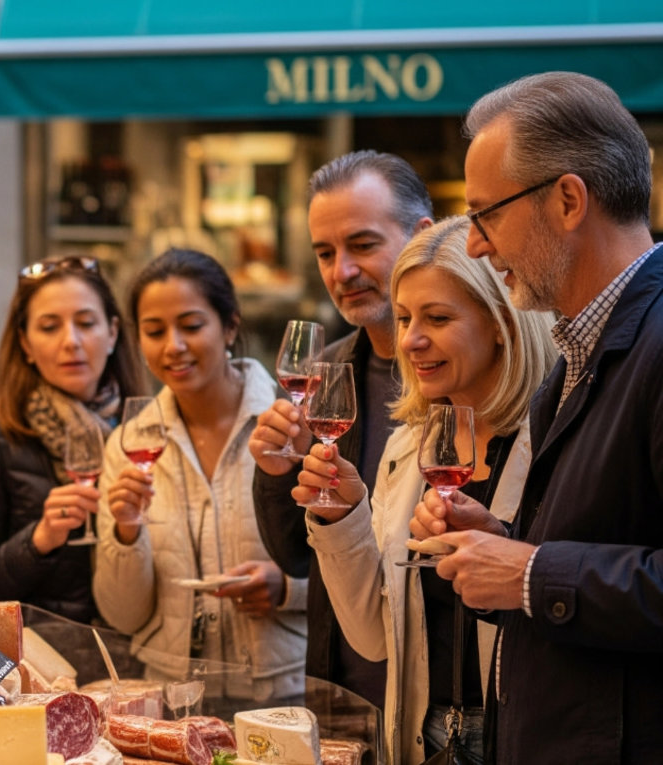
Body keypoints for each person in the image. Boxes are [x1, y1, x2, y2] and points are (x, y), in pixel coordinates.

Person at [412, 71, 663, 761]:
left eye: (486, 214)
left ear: (569, 201)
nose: (478, 245)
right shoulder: (573, 352)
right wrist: (500, 540)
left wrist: (528, 571)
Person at [295, 217, 555, 763]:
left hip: (528, 735)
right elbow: (371, 636)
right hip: (425, 736)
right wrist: (341, 516)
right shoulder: (408, 450)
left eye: (437, 318)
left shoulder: (557, 442)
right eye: (405, 316)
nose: (409, 339)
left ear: (503, 323)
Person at [249, 151, 434, 708]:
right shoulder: (328, 372)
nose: (341, 272)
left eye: (363, 244)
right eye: (325, 253)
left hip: (436, 705)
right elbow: (295, 556)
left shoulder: (462, 375)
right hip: (342, 693)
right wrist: (278, 474)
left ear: (422, 236)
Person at [94, 249, 307, 697]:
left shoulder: (290, 427)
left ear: (230, 325)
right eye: (154, 331)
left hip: (281, 690)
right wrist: (127, 532)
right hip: (172, 696)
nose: (173, 345)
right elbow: (123, 615)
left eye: (191, 326)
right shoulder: (131, 445)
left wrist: (288, 586)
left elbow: (354, 565)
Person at [0, 256, 145, 623]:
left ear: (113, 332)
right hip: (37, 668)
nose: (71, 341)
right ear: (25, 343)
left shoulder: (142, 434)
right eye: (50, 327)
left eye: (86, 323)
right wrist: (37, 540)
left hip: (137, 663)